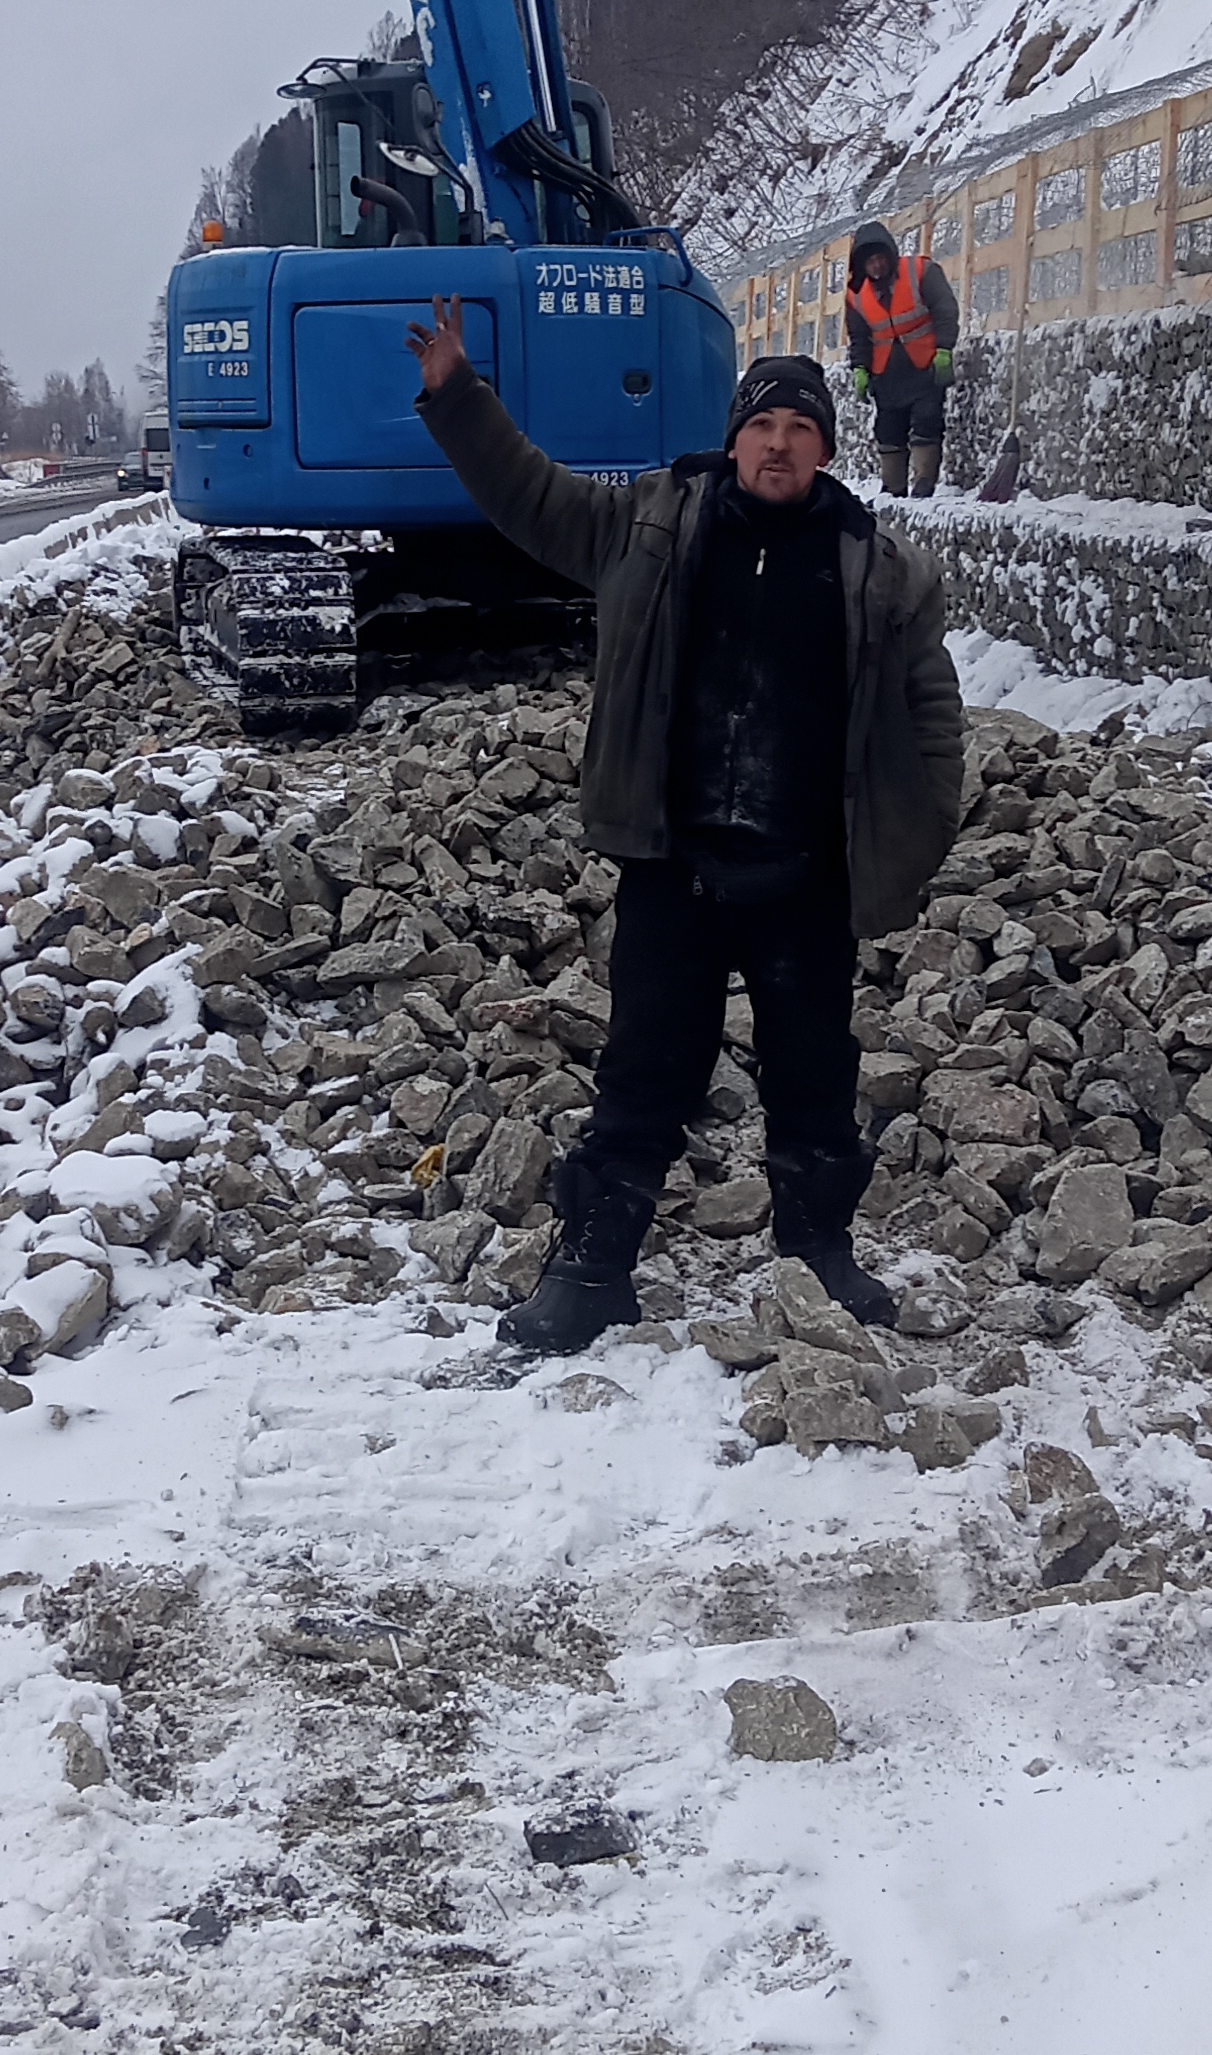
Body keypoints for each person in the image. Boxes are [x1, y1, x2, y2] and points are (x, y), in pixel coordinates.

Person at [403, 301, 966, 1357]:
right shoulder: (654, 523)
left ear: (826, 449)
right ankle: (594, 1266)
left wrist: (918, 836)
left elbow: (934, 717)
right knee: (643, 1070)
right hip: (677, 867)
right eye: (764, 424)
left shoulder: (879, 569)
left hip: (808, 876)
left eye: (802, 428)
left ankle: (818, 1255)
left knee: (816, 1078)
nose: (780, 444)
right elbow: (532, 499)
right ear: (736, 434)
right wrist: (459, 397)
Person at [845, 223, 962, 500]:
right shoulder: (856, 295)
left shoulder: (921, 272)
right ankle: (893, 488)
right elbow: (859, 337)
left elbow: (945, 309)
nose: (876, 266)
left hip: (925, 365)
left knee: (927, 422)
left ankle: (924, 482)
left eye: (880, 258)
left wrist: (944, 349)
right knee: (888, 430)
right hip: (886, 374)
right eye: (869, 261)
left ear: (890, 255)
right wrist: (860, 368)